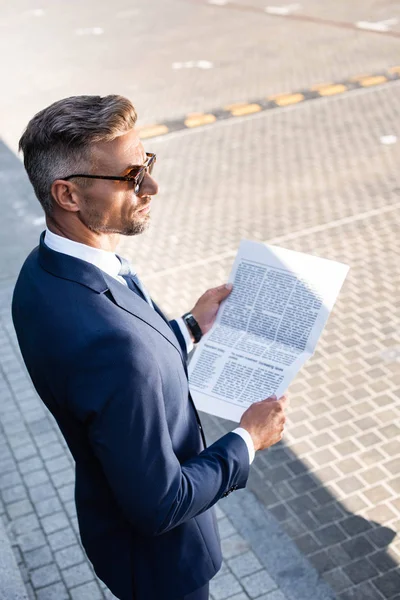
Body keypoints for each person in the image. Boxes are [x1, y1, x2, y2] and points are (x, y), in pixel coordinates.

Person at [12, 95, 287, 600]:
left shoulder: (40, 273)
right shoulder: (112, 345)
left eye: (147, 164)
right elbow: (162, 503)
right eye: (131, 177)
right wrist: (249, 439)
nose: (152, 187)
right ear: (68, 195)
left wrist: (190, 328)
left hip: (111, 525)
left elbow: (107, 382)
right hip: (163, 568)